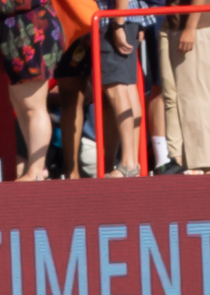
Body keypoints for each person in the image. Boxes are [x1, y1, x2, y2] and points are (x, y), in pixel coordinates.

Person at [0, 0, 64, 180]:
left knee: (34, 106)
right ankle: (35, 167)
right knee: (22, 108)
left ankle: (37, 170)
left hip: (32, 29)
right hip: (14, 33)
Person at [55, 0, 143, 177]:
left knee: (118, 89)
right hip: (113, 19)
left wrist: (118, 25)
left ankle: (128, 163)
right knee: (125, 88)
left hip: (110, 19)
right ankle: (129, 162)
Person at [159, 7, 210, 173]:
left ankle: (202, 164)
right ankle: (177, 159)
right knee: (171, 96)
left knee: (195, 96)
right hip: (172, 23)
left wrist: (190, 27)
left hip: (195, 26)